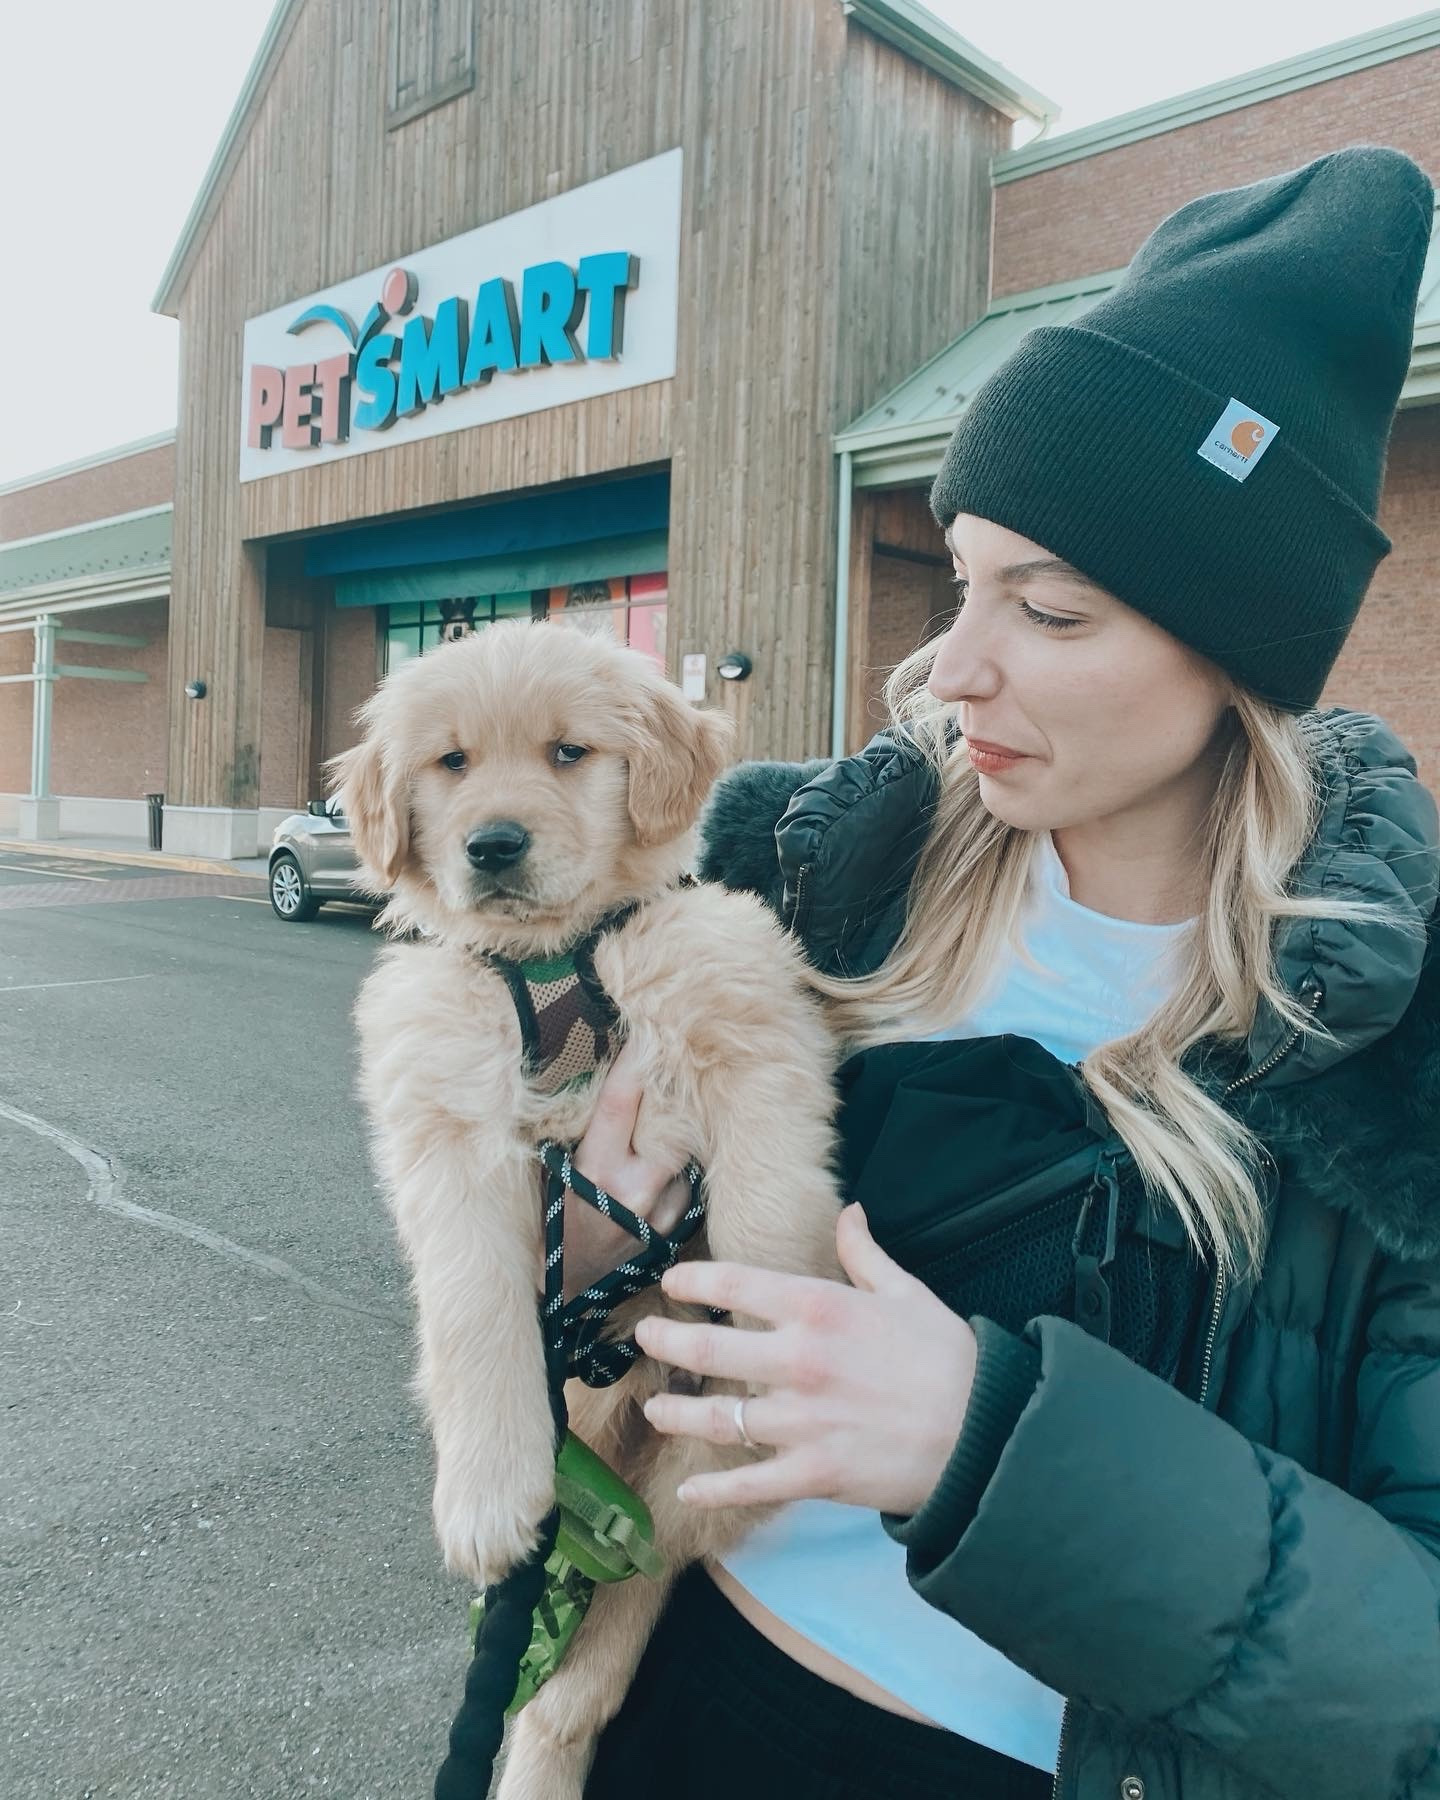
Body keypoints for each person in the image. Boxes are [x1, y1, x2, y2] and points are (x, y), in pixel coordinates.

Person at [565, 146, 1440, 1800]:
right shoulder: (814, 872)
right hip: (651, 1680)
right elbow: (581, 1348)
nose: (954, 668)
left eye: (1048, 610)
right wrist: (594, 1235)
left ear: (1239, 654)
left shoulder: (1396, 1059)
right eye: (964, 579)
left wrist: (993, 1448)